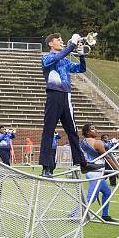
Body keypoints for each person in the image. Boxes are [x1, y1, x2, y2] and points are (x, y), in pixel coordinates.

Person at [39, 32, 99, 178]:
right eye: (58, 40)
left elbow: (81, 69)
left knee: (73, 132)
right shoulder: (46, 58)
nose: (61, 41)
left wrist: (81, 55)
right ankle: (46, 168)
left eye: (62, 40)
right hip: (54, 95)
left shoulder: (65, 61)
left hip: (67, 96)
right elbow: (57, 57)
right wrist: (72, 44)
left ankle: (82, 163)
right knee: (48, 131)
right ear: (50, 44)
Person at [80, 124, 119, 222]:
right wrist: (118, 170)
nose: (96, 130)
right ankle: (74, 214)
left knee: (107, 192)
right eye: (93, 129)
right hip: (96, 172)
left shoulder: (83, 142)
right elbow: (108, 157)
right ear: (87, 132)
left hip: (91, 171)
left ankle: (105, 215)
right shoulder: (97, 142)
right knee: (91, 199)